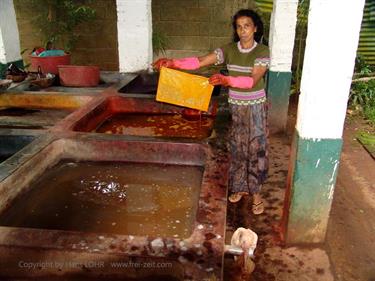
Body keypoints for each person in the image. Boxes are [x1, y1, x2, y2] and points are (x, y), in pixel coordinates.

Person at [153, 9, 269, 215]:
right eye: (239, 26)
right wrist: (173, 63)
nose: (243, 31)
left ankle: (257, 195)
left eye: (247, 26)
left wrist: (227, 80)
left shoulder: (262, 52)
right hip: (236, 106)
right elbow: (199, 61)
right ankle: (241, 187)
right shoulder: (228, 50)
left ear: (255, 28)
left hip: (255, 107)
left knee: (256, 149)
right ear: (236, 29)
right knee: (238, 147)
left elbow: (252, 80)